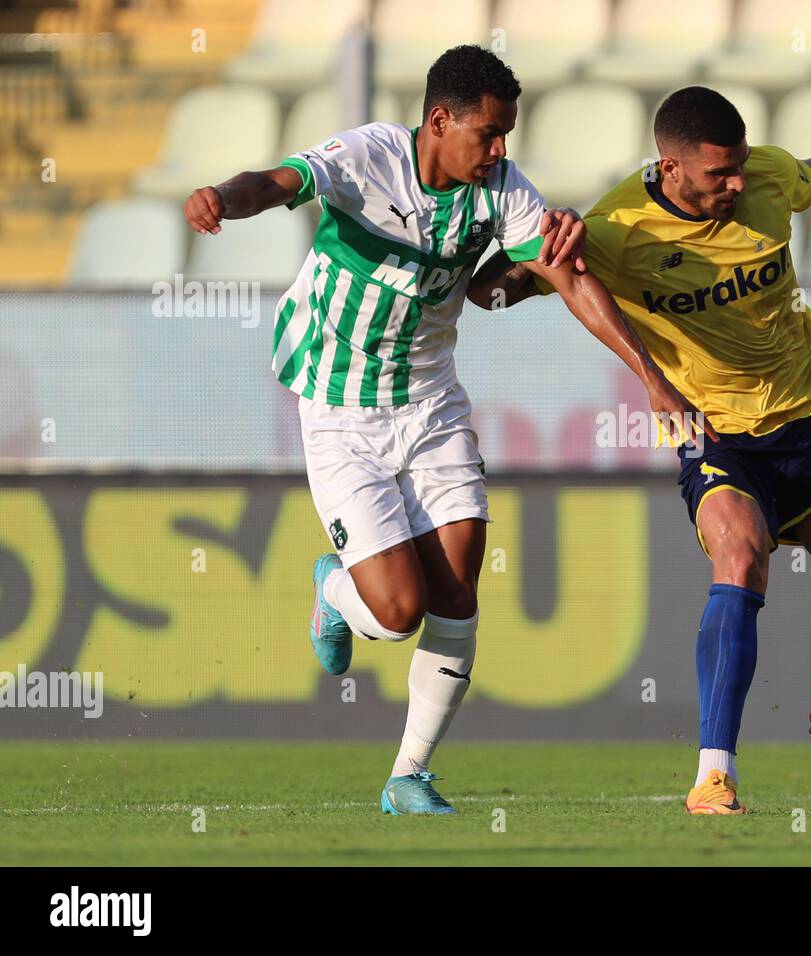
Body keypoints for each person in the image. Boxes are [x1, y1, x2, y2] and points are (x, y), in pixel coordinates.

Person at [182, 46, 705, 815]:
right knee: (395, 614)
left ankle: (409, 776)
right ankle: (334, 589)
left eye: (506, 136)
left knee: (457, 588)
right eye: (489, 134)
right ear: (439, 121)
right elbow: (277, 183)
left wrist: (653, 382)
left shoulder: (498, 191)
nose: (500, 151)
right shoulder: (367, 159)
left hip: (429, 404)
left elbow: (572, 281)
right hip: (339, 407)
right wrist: (222, 198)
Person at [467, 86, 811, 814]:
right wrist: (527, 251)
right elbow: (488, 296)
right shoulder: (617, 231)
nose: (738, 184)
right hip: (716, 435)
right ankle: (715, 774)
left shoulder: (767, 179)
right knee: (741, 555)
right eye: (720, 175)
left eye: (741, 166)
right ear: (671, 168)